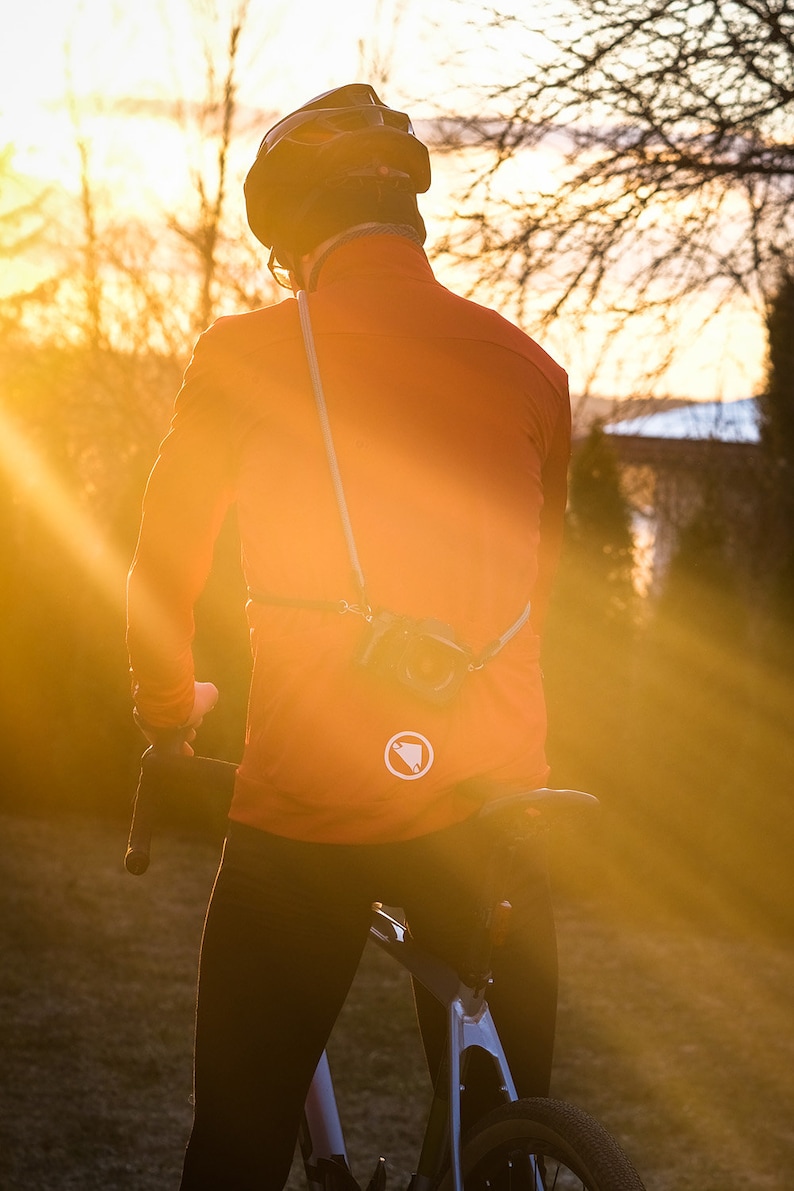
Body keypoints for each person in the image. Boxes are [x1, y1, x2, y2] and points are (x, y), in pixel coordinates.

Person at [126, 83, 571, 1191]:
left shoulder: (245, 354)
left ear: (293, 236)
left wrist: (168, 711)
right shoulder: (531, 369)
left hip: (313, 800)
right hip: (496, 798)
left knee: (232, 1146)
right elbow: (542, 586)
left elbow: (163, 567)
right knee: (501, 1146)